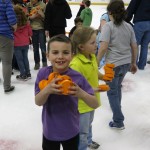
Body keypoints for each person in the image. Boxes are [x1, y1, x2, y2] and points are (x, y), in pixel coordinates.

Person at [34, 34, 99, 150]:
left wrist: (81, 93)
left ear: (72, 55)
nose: (60, 57)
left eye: (65, 52)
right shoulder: (43, 74)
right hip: (50, 131)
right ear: (47, 55)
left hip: (72, 131)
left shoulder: (77, 77)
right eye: (55, 52)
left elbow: (94, 104)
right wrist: (47, 90)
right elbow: (38, 102)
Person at [97, 0, 138, 129]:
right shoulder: (129, 26)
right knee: (117, 87)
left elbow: (103, 47)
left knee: (112, 91)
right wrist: (133, 63)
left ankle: (118, 121)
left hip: (112, 65)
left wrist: (96, 62)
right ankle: (117, 109)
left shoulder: (108, 26)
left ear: (110, 13)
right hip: (125, 63)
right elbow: (134, 46)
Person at [70, 27, 105, 150]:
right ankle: (82, 145)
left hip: (92, 101)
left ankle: (88, 141)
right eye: (92, 43)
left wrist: (104, 77)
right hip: (82, 105)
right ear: (81, 46)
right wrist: (94, 89)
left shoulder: (92, 57)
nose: (96, 45)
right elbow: (73, 88)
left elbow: (95, 72)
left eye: (96, 42)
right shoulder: (76, 64)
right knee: (82, 132)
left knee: (88, 125)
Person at [126, 0, 150, 70]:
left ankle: (132, 65)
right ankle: (141, 66)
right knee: (145, 45)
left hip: (140, 22)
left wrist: (127, 19)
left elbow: (131, 8)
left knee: (134, 45)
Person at [0, 0, 17, 93]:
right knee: (6, 63)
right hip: (4, 34)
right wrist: (14, 27)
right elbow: (12, 19)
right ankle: (7, 87)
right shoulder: (5, 2)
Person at [27, 0, 47, 70]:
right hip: (32, 29)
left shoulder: (43, 5)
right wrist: (31, 17)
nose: (32, 0)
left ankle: (44, 63)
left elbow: (46, 17)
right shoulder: (28, 5)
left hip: (41, 28)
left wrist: (41, 15)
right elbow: (26, 17)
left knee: (43, 47)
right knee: (35, 48)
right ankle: (37, 63)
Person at [13, 5, 32, 80]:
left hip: (17, 44)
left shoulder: (13, 24)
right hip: (25, 43)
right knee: (25, 58)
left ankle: (23, 74)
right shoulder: (27, 23)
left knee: (19, 60)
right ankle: (28, 73)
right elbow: (30, 33)